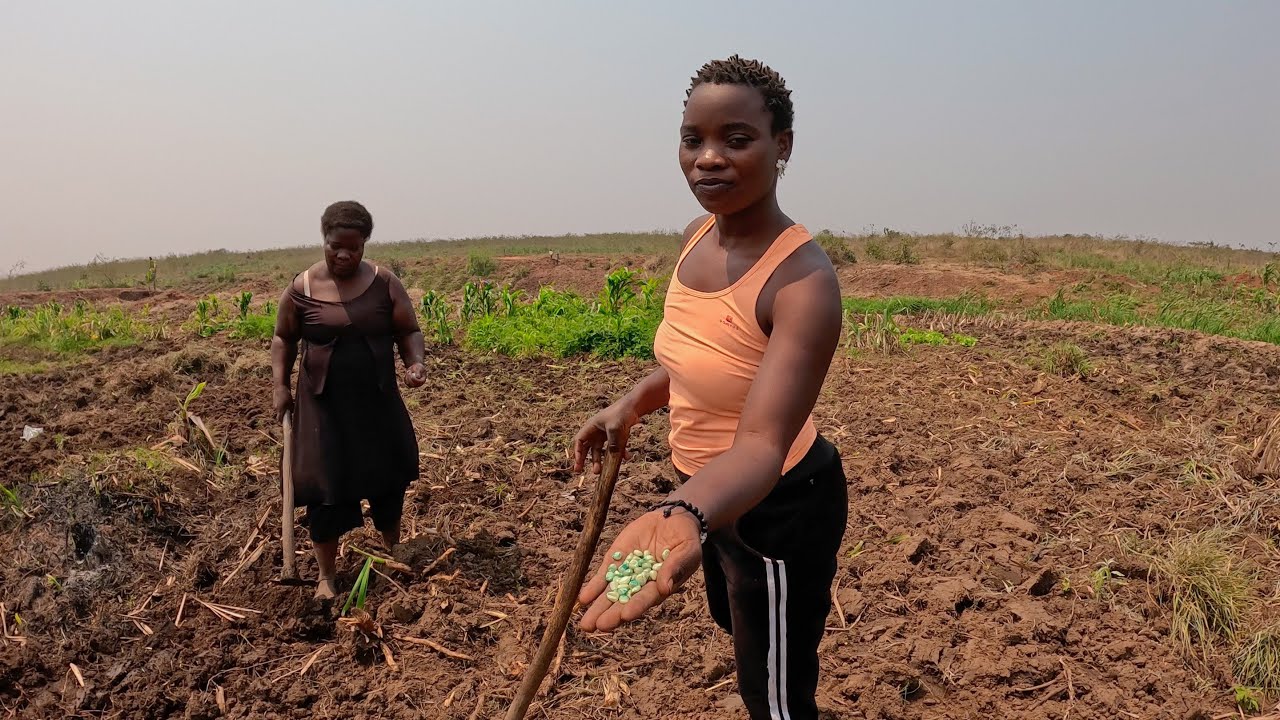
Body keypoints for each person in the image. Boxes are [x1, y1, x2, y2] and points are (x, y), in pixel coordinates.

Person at [573, 56, 847, 719]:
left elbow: (760, 446)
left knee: (774, 694)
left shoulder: (802, 283)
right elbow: (697, 363)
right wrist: (630, 404)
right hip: (708, 501)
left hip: (776, 508)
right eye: (692, 139)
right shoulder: (696, 238)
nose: (708, 158)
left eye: (737, 139)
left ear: (782, 145)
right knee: (738, 624)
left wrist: (683, 511)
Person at [271, 201, 427, 600]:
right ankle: (326, 576)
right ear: (324, 239)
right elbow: (283, 338)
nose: (343, 255)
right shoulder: (302, 288)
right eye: (335, 246)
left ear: (364, 245)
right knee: (325, 488)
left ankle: (393, 551)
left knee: (387, 479)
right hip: (322, 409)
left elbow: (408, 330)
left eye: (353, 248)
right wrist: (280, 387)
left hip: (376, 402)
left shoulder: (384, 282)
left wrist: (415, 363)